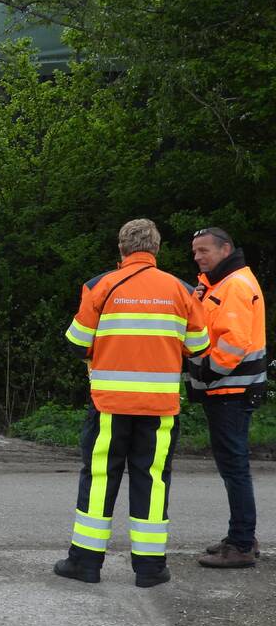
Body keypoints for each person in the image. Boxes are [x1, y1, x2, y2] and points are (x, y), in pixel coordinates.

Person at [55, 219, 209, 588]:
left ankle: (86, 563)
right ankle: (150, 570)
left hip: (109, 404)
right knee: (152, 482)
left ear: (121, 248)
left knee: (98, 480)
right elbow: (199, 346)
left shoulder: (99, 286)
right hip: (159, 410)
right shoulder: (181, 290)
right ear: (155, 249)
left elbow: (77, 343)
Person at [188, 227, 267, 568]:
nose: (198, 257)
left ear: (225, 249)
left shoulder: (234, 284)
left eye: (204, 250)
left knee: (234, 467)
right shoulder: (220, 283)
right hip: (228, 389)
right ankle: (242, 535)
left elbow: (232, 342)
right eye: (195, 252)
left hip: (230, 389)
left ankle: (241, 544)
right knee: (233, 466)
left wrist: (206, 371)